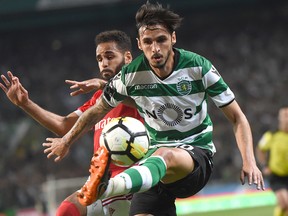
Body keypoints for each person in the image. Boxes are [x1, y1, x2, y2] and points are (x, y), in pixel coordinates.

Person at [42, 2, 265, 215]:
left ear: (173, 38)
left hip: (195, 156)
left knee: (165, 155)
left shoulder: (199, 67)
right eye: (148, 42)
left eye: (161, 40)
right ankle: (106, 186)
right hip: (151, 167)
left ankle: (104, 187)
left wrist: (249, 161)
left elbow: (237, 117)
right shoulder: (130, 76)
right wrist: (66, 140)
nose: (155, 48)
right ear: (139, 44)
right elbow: (97, 111)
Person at [0, 30, 142, 216]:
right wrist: (26, 104)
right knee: (67, 210)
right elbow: (65, 125)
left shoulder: (142, 84)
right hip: (102, 181)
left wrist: (102, 84)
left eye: (110, 56)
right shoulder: (99, 99)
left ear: (128, 57)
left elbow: (137, 99)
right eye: (99, 59)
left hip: (137, 180)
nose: (104, 63)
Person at [256, 108, 288, 216]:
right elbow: (260, 149)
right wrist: (264, 165)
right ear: (280, 118)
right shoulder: (271, 135)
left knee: (285, 207)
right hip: (276, 175)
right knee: (284, 203)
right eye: (285, 115)